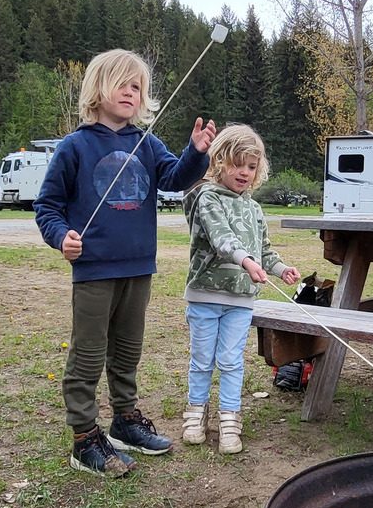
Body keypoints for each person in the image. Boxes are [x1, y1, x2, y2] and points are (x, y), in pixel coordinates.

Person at [34, 48, 216, 477]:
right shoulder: (74, 146)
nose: (131, 92)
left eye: (138, 87)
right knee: (89, 354)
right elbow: (47, 206)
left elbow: (175, 179)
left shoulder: (146, 144)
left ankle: (125, 420)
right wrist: (62, 237)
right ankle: (83, 437)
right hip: (95, 271)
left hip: (139, 267)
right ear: (98, 87)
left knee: (128, 350)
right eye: (123, 83)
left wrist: (196, 152)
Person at [181, 123, 301, 454]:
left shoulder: (254, 209)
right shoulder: (207, 198)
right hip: (205, 295)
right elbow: (222, 240)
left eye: (251, 166)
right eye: (237, 164)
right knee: (203, 358)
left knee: (232, 360)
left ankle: (230, 418)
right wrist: (247, 262)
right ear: (219, 161)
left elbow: (264, 251)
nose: (244, 172)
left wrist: (279, 269)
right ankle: (196, 412)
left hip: (241, 300)